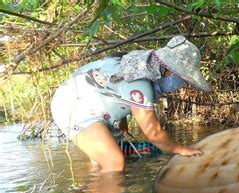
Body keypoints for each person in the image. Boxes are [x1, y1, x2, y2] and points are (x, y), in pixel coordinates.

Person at [51, 36, 210, 172]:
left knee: (101, 162)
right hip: (72, 107)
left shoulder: (140, 62)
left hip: (80, 102)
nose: (180, 83)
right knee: (114, 162)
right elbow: (153, 133)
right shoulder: (140, 83)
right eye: (183, 78)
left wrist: (123, 120)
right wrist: (182, 149)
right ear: (169, 70)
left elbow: (115, 87)